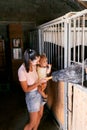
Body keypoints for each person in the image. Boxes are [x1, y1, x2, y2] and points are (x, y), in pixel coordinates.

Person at [18, 49, 48, 130]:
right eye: (36, 61)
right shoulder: (22, 71)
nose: (38, 62)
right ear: (29, 60)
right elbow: (26, 89)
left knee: (40, 115)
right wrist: (39, 83)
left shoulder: (33, 65)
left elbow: (38, 75)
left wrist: (42, 83)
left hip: (39, 91)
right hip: (32, 96)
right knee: (32, 122)